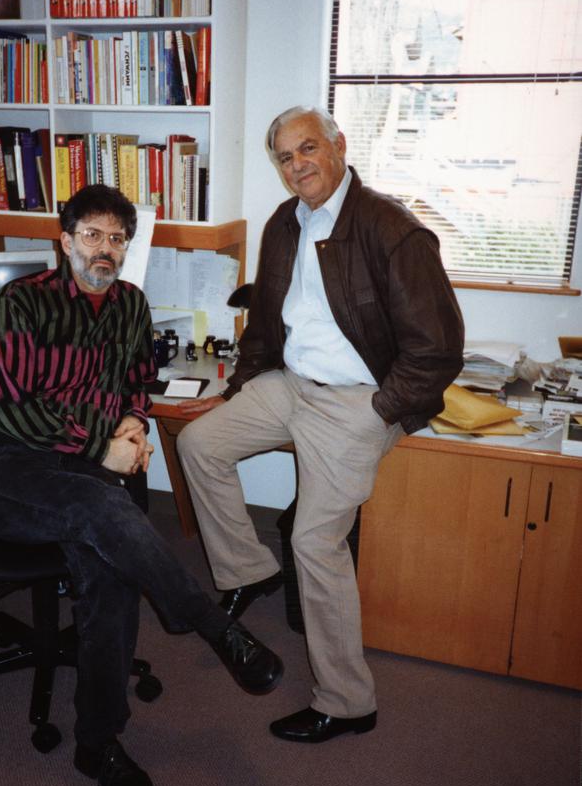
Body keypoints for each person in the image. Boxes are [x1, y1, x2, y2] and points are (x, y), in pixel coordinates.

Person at [0, 184, 282, 786]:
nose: (104, 250)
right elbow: (8, 408)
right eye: (92, 235)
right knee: (104, 507)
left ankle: (99, 742)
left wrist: (135, 424)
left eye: (116, 238)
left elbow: (138, 381)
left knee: (110, 568)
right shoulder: (20, 304)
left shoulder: (131, 305)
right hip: (8, 470)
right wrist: (99, 446)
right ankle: (212, 625)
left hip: (87, 470)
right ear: (65, 240)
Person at [177, 106, 464, 745]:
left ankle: (348, 700)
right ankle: (249, 570)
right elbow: (267, 321)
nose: (297, 165)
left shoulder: (390, 228)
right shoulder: (286, 224)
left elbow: (439, 348)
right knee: (199, 442)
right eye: (284, 156)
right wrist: (241, 387)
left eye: (308, 148)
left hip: (357, 399)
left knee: (314, 541)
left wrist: (380, 409)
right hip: (290, 383)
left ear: (338, 146)